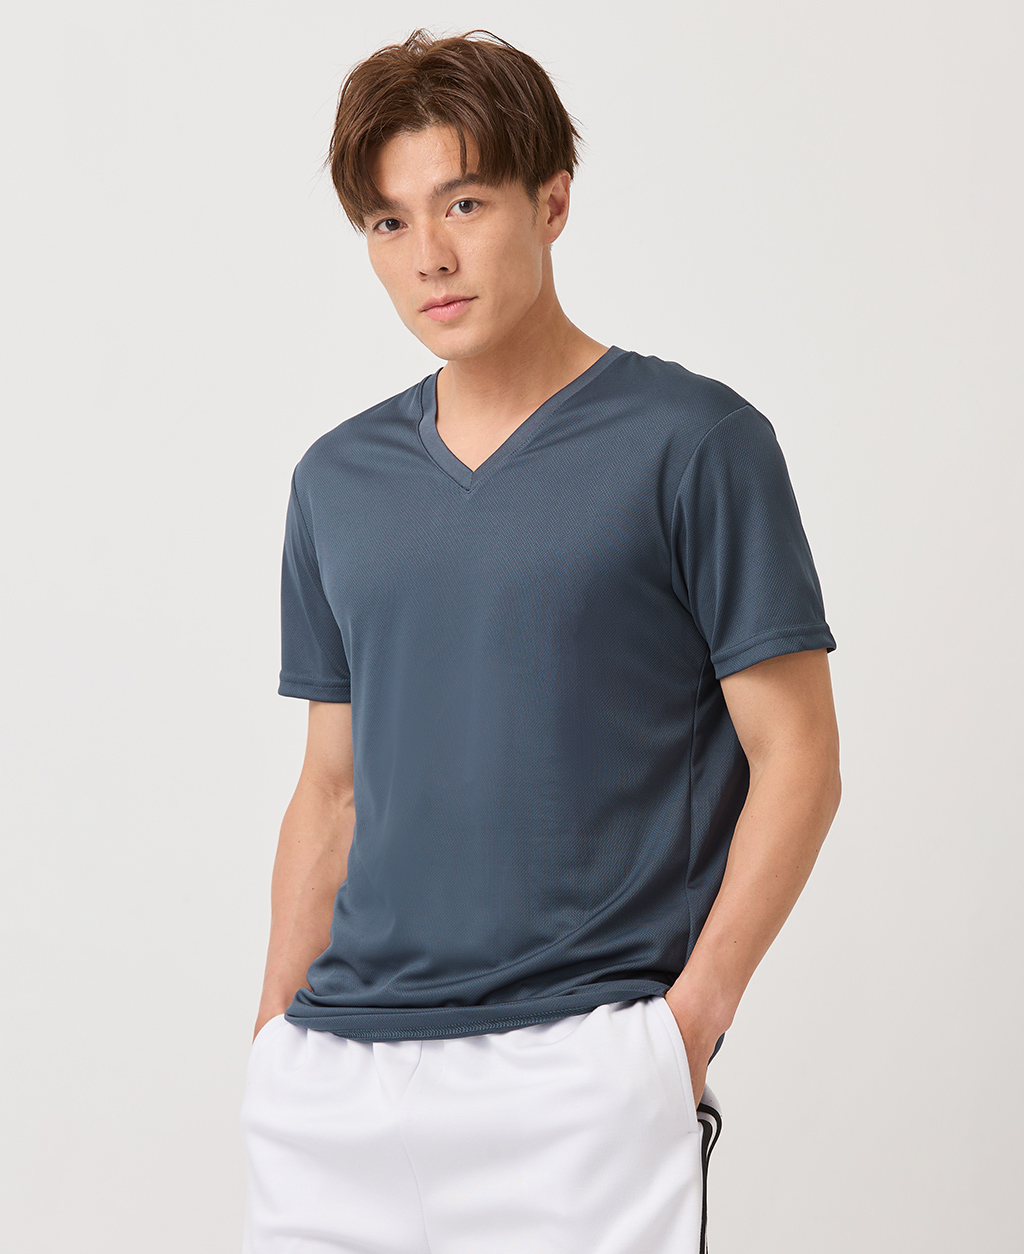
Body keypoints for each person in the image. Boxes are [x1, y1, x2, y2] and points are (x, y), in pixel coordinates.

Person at [239, 26, 842, 1254]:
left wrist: (685, 1031)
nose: (429, 255)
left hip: (584, 1072)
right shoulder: (335, 480)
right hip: (340, 1080)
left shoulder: (696, 444)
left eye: (462, 203)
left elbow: (798, 759)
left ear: (551, 201)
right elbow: (331, 788)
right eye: (389, 222)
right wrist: (272, 1043)